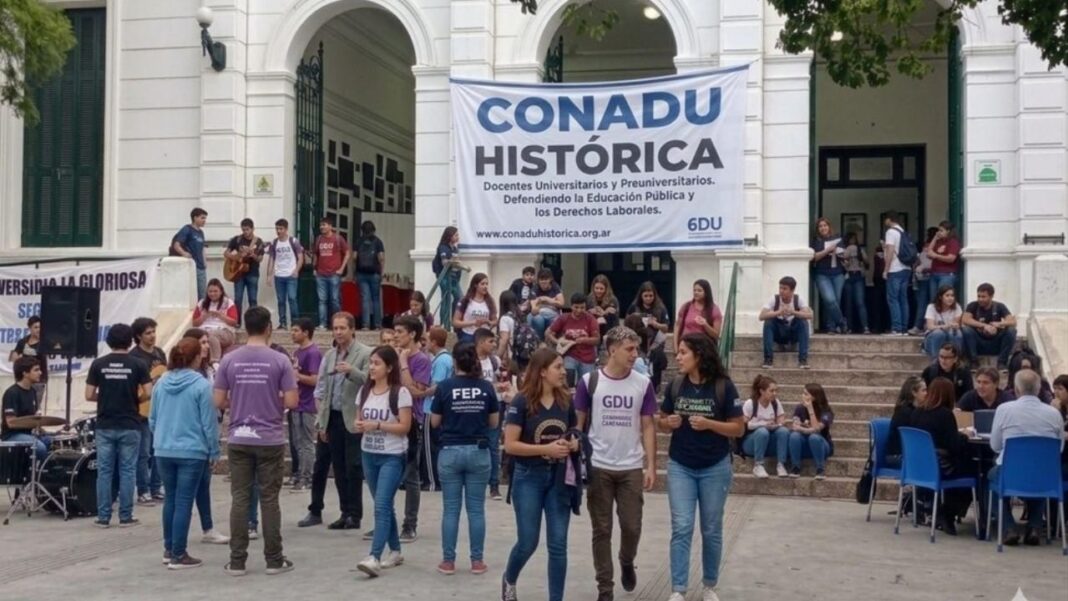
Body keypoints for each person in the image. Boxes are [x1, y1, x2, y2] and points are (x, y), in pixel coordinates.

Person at [213, 306, 299, 576]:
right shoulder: (279, 360)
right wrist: (273, 403)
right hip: (270, 437)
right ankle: (274, 559)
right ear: (269, 327)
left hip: (239, 435)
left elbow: (217, 400)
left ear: (245, 327)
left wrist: (236, 402)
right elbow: (293, 401)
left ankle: (237, 561)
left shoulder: (229, 359)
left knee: (240, 499)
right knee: (269, 499)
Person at [658, 333, 744, 601]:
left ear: (699, 355)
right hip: (680, 464)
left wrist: (710, 424)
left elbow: (739, 427)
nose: (678, 357)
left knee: (711, 527)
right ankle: (678, 589)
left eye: (683, 352)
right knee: (681, 526)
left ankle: (709, 585)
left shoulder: (724, 386)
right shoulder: (676, 385)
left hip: (714, 466)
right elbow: (661, 418)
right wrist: (667, 422)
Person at [574, 326, 657, 601]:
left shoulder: (643, 383)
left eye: (637, 349)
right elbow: (579, 423)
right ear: (612, 350)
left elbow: (647, 426)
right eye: (629, 349)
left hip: (630, 465)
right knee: (602, 529)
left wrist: (651, 465)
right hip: (599, 464)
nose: (635, 354)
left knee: (632, 526)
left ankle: (626, 559)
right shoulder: (589, 382)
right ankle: (605, 588)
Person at [501, 348, 582, 601]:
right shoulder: (521, 402)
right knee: (528, 541)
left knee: (558, 545)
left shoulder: (565, 400)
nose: (563, 372)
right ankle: (509, 578)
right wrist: (544, 449)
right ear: (543, 371)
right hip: (528, 477)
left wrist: (574, 443)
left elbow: (573, 431)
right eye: (558, 367)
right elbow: (510, 445)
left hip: (558, 479)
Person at [430, 341, 500, 576]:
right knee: (476, 510)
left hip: (450, 450)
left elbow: (435, 422)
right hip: (479, 451)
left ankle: (448, 561)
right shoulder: (486, 387)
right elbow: (494, 423)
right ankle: (477, 561)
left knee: (451, 509)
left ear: (454, 361)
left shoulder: (445, 387)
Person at [151, 337, 220, 569]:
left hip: (163, 448)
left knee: (170, 499)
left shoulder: (161, 382)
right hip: (191, 450)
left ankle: (168, 549)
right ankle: (179, 554)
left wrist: (161, 436)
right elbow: (209, 423)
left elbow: (153, 418)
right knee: (183, 502)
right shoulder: (201, 385)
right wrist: (213, 450)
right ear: (196, 358)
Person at [299, 311, 371, 530]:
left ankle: (355, 514)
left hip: (353, 416)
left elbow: (370, 380)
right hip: (332, 416)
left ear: (352, 329)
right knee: (336, 466)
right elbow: (321, 387)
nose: (339, 332)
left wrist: (352, 371)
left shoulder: (365, 353)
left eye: (343, 328)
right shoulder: (330, 355)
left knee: (353, 467)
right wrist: (321, 420)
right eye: (335, 328)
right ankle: (343, 512)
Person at [988, 369, 1066, 546]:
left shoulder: (1004, 409)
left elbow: (995, 446)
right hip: (1044, 474)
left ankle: (1008, 527)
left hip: (1010, 471)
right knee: (1038, 478)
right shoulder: (1054, 414)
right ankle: (1034, 527)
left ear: (1016, 389)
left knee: (992, 478)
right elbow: (1058, 449)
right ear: (1039, 390)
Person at [355, 345, 414, 578]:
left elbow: (404, 427)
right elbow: (357, 418)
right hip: (368, 453)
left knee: (380, 505)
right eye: (370, 362)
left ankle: (374, 556)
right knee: (384, 505)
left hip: (392, 455)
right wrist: (359, 425)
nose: (371, 367)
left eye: (377, 363)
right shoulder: (365, 390)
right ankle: (396, 550)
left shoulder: (400, 393)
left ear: (389, 367)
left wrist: (377, 425)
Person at [86, 323, 152, 528]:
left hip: (105, 423)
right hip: (130, 423)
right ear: (131, 340)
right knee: (127, 470)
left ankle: (103, 516)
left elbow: (88, 395)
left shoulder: (98, 364)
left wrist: (105, 397)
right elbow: (149, 393)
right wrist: (133, 399)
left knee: (104, 471)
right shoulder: (138, 364)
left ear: (109, 340)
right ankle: (125, 516)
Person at [906, 377, 974, 535]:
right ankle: (947, 513)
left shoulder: (916, 412)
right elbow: (953, 445)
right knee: (975, 472)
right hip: (940, 466)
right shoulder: (945, 415)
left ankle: (944, 514)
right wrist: (964, 436)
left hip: (918, 466)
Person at [395, 315, 433, 543]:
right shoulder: (393, 354)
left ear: (412, 334)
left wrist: (402, 363)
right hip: (391, 418)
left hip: (412, 420)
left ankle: (410, 524)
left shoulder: (421, 360)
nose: (397, 335)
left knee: (411, 474)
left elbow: (416, 391)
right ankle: (385, 521)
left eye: (400, 331)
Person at [130, 317, 166, 505]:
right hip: (142, 411)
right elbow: (133, 386)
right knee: (143, 452)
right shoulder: (134, 357)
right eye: (148, 333)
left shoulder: (159, 353)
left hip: (159, 408)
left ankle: (156, 487)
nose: (152, 336)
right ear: (138, 336)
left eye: (153, 332)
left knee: (158, 450)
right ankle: (143, 490)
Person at [289, 318, 321, 490]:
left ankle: (307, 477)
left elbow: (316, 379)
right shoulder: (296, 352)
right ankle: (300, 473)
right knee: (297, 442)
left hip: (308, 404)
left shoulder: (313, 353)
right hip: (297, 402)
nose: (292, 334)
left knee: (306, 442)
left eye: (296, 330)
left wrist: (298, 376)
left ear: (306, 332)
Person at [474, 328, 504, 499]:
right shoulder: (469, 360)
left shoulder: (495, 361)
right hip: (475, 407)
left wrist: (502, 386)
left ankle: (494, 484)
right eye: (490, 341)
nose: (494, 345)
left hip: (493, 405)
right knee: (475, 444)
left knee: (493, 445)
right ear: (480, 342)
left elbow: (501, 379)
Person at [422, 326, 453, 490]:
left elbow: (437, 385)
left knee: (430, 446)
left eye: (427, 340)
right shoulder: (446, 358)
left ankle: (432, 481)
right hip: (441, 408)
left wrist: (421, 392)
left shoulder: (441, 360)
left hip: (431, 407)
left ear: (433, 342)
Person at [759, 276, 813, 369]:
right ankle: (768, 359)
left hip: (793, 333)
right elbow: (761, 316)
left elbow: (810, 315)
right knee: (768, 322)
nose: (781, 291)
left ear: (792, 290)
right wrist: (778, 312)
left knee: (803, 322)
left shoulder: (798, 299)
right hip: (779, 333)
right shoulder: (774, 299)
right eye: (780, 288)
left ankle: (803, 360)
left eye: (785, 289)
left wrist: (793, 312)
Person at [740, 375, 789, 479]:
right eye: (771, 391)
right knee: (762, 431)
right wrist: (762, 424)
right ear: (762, 391)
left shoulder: (776, 403)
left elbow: (781, 421)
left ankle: (781, 464)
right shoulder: (751, 403)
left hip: (769, 441)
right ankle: (758, 465)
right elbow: (744, 425)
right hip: (751, 443)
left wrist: (776, 425)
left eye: (776, 391)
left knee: (783, 431)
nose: (774, 394)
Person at [626, 281, 671, 391]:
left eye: (651, 296)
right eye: (645, 296)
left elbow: (666, 328)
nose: (648, 298)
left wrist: (655, 324)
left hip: (655, 343)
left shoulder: (661, 308)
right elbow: (626, 324)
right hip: (638, 342)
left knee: (656, 365)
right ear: (641, 296)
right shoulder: (634, 307)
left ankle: (655, 386)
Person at [2, 357, 49, 461]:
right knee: (40, 448)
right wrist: (33, 423)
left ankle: (41, 473)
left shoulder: (32, 391)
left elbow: (34, 416)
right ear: (25, 373)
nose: (40, 373)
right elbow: (11, 423)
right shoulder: (12, 393)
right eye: (36, 370)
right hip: (12, 435)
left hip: (28, 433)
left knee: (49, 440)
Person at [961, 283, 1017, 369]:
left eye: (983, 297)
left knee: (1011, 330)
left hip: (996, 342)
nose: (980, 299)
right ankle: (974, 361)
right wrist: (984, 326)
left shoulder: (999, 306)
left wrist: (999, 324)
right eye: (978, 296)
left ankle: (1002, 362)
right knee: (966, 330)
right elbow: (965, 319)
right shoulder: (973, 305)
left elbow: (1012, 321)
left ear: (991, 296)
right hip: (978, 342)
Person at [546, 293, 600, 381]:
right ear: (571, 306)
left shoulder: (591, 319)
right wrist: (559, 342)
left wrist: (584, 340)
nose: (579, 310)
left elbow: (597, 339)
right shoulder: (564, 318)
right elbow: (549, 333)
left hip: (587, 356)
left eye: (582, 308)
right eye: (576, 307)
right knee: (568, 372)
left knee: (586, 382)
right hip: (570, 353)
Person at [810, 217, 848, 334]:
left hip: (838, 274)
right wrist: (828, 250)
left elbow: (845, 255)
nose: (823, 228)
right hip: (822, 274)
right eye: (820, 226)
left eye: (825, 225)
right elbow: (814, 257)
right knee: (830, 300)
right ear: (818, 229)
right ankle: (841, 322)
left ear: (829, 227)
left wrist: (842, 254)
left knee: (835, 301)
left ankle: (831, 327)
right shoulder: (815, 242)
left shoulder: (837, 239)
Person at [312, 216, 351, 331]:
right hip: (321, 274)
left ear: (330, 226)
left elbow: (347, 253)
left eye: (324, 225)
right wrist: (314, 268)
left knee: (334, 299)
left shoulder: (338, 239)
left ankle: (338, 323)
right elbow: (315, 254)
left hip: (334, 273)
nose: (321, 227)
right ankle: (323, 324)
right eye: (321, 225)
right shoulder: (319, 239)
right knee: (322, 300)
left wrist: (341, 269)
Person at [225, 218, 265, 327]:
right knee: (238, 299)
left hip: (253, 273)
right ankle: (237, 323)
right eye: (243, 230)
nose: (245, 232)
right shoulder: (237, 240)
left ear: (252, 229)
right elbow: (226, 253)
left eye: (247, 229)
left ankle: (254, 324)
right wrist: (236, 257)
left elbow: (260, 259)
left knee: (253, 299)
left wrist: (253, 255)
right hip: (238, 273)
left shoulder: (259, 242)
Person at [265, 219, 304, 329]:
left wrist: (296, 270)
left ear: (286, 229)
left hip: (291, 275)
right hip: (279, 275)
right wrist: (269, 275)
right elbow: (271, 259)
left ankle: (295, 322)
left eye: (281, 229)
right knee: (281, 300)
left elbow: (300, 257)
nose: (278, 231)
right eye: (277, 228)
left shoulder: (293, 241)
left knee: (292, 298)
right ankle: (282, 322)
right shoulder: (275, 243)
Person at [192, 278, 238, 363]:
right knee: (192, 335)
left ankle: (215, 362)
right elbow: (194, 323)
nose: (212, 294)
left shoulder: (228, 302)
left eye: (215, 291)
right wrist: (204, 316)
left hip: (224, 331)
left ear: (221, 291)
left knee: (210, 335)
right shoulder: (202, 303)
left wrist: (220, 315)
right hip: (204, 329)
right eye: (210, 291)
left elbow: (234, 322)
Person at [882, 211, 912, 336]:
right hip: (906, 268)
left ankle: (896, 328)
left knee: (893, 299)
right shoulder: (903, 232)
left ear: (889, 220)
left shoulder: (890, 232)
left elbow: (890, 251)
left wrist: (886, 269)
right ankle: (904, 328)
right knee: (903, 299)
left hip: (895, 269)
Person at [885, 376, 926, 468]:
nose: (927, 393)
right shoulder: (904, 412)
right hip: (897, 455)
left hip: (906, 453)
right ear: (914, 392)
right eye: (924, 390)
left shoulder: (916, 410)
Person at [8, 316, 48, 405]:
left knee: (34, 407)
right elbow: (13, 357)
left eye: (40, 327)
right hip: (23, 380)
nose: (38, 329)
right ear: (30, 328)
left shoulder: (44, 343)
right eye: (36, 327)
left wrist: (33, 353)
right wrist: (19, 357)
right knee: (21, 405)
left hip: (38, 380)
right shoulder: (22, 342)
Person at [353, 220, 385, 330]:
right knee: (376, 299)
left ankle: (365, 325)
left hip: (361, 273)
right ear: (373, 230)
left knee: (365, 299)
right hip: (374, 273)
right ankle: (377, 324)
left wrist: (354, 272)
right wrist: (381, 272)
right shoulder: (378, 242)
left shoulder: (358, 241)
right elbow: (381, 258)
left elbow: (354, 257)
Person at [172, 207, 208, 299]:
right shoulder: (187, 229)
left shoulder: (201, 232)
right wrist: (184, 253)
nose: (204, 220)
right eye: (202, 218)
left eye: (205, 218)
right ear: (195, 218)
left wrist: (204, 262)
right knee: (191, 294)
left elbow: (202, 248)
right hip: (191, 266)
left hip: (201, 267)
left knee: (202, 294)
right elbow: (176, 245)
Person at [909, 227, 939, 336]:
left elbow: (923, 262)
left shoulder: (928, 247)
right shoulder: (937, 246)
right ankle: (926, 326)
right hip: (930, 276)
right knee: (931, 303)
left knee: (923, 303)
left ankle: (919, 326)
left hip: (924, 277)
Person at [453, 273, 497, 344]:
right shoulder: (465, 301)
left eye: (486, 284)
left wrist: (489, 322)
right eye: (482, 284)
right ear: (475, 285)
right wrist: (473, 322)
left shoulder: (490, 301)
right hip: (468, 335)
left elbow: (495, 320)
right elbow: (455, 322)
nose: (485, 286)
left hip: (484, 337)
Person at [433, 226, 463, 329]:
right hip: (445, 277)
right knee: (446, 299)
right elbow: (444, 262)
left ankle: (454, 320)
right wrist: (453, 261)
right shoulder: (443, 247)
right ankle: (445, 324)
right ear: (449, 236)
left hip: (454, 278)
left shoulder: (454, 248)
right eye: (456, 235)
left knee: (459, 298)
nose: (458, 237)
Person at [922, 284, 963, 359]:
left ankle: (956, 360)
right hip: (933, 338)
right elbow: (930, 326)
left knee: (956, 333)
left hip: (950, 337)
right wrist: (944, 326)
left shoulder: (957, 307)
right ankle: (936, 362)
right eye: (947, 295)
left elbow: (956, 324)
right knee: (939, 333)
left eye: (952, 296)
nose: (950, 298)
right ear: (940, 297)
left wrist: (955, 325)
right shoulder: (931, 307)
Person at [841, 231, 870, 333]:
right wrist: (846, 257)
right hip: (849, 276)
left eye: (854, 239)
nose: (853, 241)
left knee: (860, 302)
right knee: (849, 303)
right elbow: (843, 264)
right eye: (851, 239)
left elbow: (867, 264)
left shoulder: (860, 250)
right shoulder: (844, 250)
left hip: (857, 275)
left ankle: (865, 326)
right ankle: (849, 327)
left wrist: (861, 256)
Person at [527, 268, 565, 340]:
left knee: (556, 321)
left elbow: (561, 303)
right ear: (538, 280)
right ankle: (540, 341)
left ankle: (549, 343)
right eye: (541, 280)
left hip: (553, 314)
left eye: (546, 279)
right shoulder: (535, 288)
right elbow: (534, 309)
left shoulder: (555, 286)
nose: (543, 282)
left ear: (550, 279)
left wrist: (546, 299)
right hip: (539, 313)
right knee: (536, 319)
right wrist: (553, 301)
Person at [927, 220, 960, 297]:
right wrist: (935, 238)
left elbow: (951, 258)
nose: (939, 232)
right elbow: (929, 252)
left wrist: (936, 256)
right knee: (934, 299)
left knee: (944, 298)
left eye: (941, 230)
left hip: (947, 274)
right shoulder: (939, 241)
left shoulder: (953, 242)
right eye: (938, 230)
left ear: (948, 231)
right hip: (934, 273)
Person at [587, 274, 620, 338]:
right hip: (594, 325)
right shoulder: (589, 298)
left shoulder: (612, 299)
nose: (598, 291)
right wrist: (589, 312)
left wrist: (604, 313)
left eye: (601, 289)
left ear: (606, 289)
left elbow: (616, 318)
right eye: (596, 288)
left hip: (608, 326)